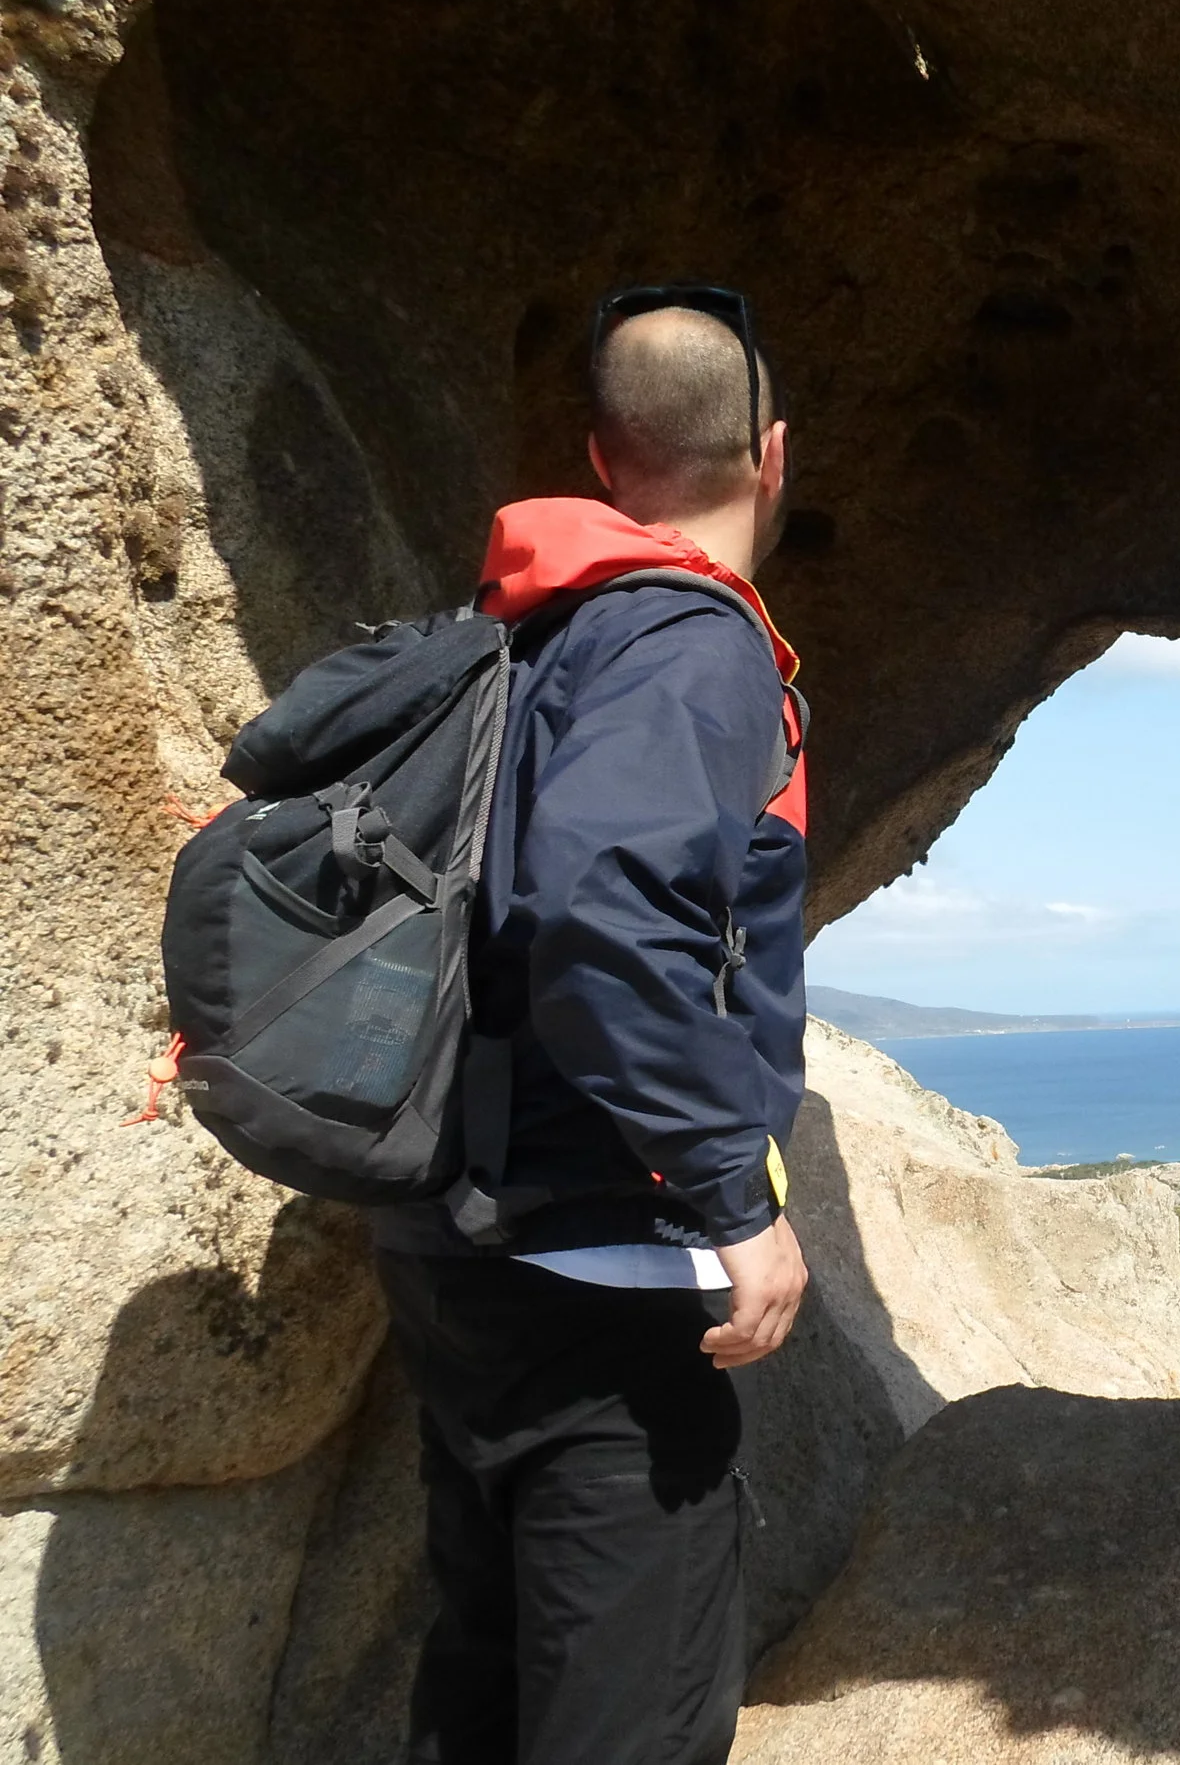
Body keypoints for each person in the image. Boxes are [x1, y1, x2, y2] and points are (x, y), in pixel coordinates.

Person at [368, 287, 813, 1765]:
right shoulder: (698, 646)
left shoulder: (522, 640)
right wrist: (735, 1199)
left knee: (486, 1689)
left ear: (598, 457)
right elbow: (605, 916)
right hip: (606, 1282)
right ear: (773, 452)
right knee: (628, 1720)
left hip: (462, 1250)